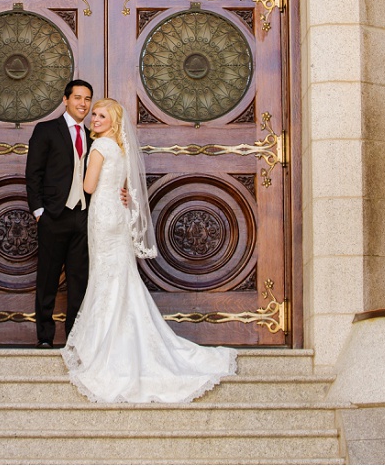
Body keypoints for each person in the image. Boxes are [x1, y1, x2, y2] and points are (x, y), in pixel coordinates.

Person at [62, 98, 237, 402]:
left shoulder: (101, 148)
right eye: (94, 116)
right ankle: (120, 336)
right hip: (116, 213)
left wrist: (76, 169)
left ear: (114, 122)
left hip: (103, 215)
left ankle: (105, 343)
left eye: (101, 116)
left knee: (106, 275)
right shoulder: (120, 148)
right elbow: (127, 188)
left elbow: (88, 188)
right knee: (119, 275)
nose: (95, 120)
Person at [25, 79, 94, 347]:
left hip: (82, 215)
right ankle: (44, 337)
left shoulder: (93, 136)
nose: (83, 103)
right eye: (77, 97)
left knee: (79, 280)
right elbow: (34, 173)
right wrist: (39, 210)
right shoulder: (46, 130)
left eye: (87, 99)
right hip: (53, 215)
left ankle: (74, 338)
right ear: (65, 100)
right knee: (48, 278)